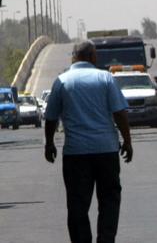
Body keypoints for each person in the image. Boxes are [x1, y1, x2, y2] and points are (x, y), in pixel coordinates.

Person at [44, 40, 133, 243]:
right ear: (93, 57)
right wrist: (127, 141)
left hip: (75, 154)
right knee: (109, 200)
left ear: (73, 57)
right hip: (106, 151)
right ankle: (106, 239)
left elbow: (51, 117)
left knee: (77, 205)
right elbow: (120, 113)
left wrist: (49, 143)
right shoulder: (105, 78)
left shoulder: (62, 81)